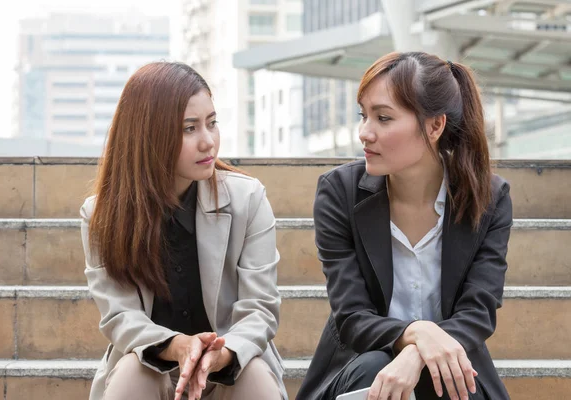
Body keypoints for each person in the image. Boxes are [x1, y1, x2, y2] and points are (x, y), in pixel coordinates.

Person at [297, 52, 513, 400]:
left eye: (383, 118)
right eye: (363, 116)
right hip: (357, 364)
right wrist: (415, 334)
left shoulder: (489, 197)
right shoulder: (340, 192)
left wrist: (418, 348)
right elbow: (352, 316)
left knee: (451, 373)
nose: (365, 133)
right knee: (375, 370)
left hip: (452, 363)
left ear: (434, 126)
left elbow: (478, 311)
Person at [79, 61, 286, 400]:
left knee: (255, 376)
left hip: (229, 369)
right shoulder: (101, 215)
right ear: (148, 134)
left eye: (212, 123)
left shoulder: (248, 199)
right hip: (153, 366)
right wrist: (177, 346)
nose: (208, 142)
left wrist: (223, 353)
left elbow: (259, 308)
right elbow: (120, 315)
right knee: (133, 373)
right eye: (190, 128)